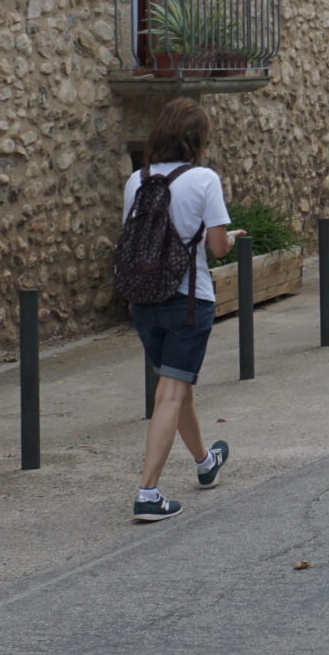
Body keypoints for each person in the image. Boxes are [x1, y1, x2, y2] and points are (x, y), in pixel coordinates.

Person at [123, 97, 239, 523]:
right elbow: (218, 245)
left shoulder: (137, 180)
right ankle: (148, 493)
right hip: (189, 300)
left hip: (144, 301)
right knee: (170, 392)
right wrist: (228, 237)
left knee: (179, 385)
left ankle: (206, 462)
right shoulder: (204, 179)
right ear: (197, 138)